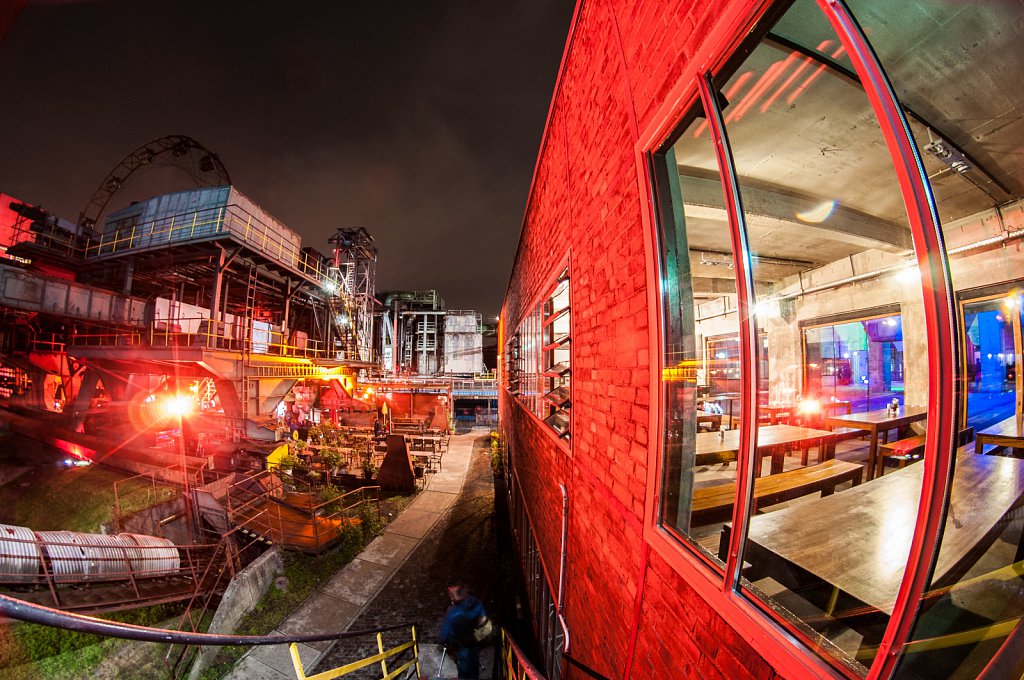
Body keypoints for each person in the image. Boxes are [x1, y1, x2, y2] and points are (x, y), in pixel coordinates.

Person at [438, 584, 486, 679]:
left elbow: (443, 635)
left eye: (452, 594)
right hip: (474, 641)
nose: (450, 596)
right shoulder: (476, 602)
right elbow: (484, 620)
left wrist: (445, 641)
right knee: (474, 666)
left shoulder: (453, 611)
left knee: (464, 669)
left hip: (461, 645)